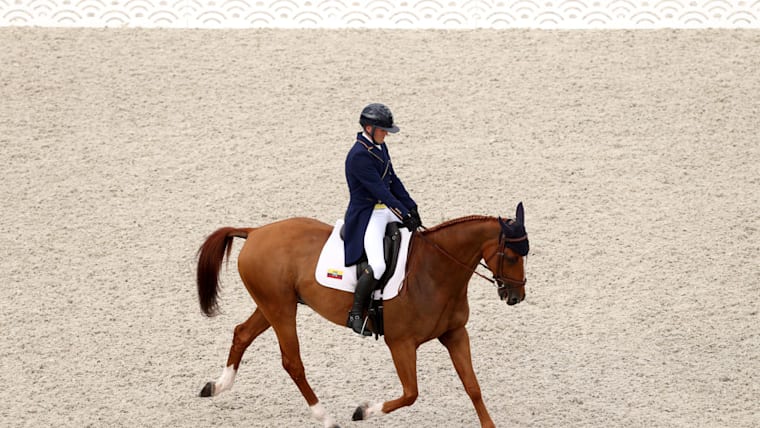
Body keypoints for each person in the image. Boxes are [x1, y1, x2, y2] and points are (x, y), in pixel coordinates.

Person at [343, 103, 422, 336]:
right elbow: (381, 191)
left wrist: (412, 206)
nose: (386, 135)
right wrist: (403, 214)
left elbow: (393, 180)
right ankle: (356, 314)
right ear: (369, 128)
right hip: (368, 214)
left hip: (385, 209)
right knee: (378, 264)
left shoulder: (379, 146)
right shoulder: (359, 155)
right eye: (383, 130)